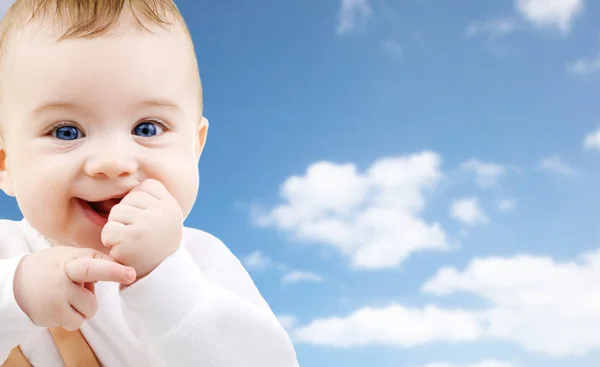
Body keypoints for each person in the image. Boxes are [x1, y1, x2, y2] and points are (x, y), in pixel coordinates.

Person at [0, 0, 299, 366]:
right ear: (6, 165)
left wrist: (167, 283)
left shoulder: (203, 262)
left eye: (147, 128)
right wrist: (14, 296)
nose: (112, 162)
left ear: (195, 147)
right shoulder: (7, 252)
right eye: (66, 131)